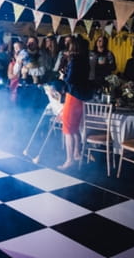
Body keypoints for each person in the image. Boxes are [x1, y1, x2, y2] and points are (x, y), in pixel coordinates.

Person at [58, 35, 92, 170]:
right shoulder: (85, 60)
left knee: (67, 129)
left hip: (72, 96)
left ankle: (69, 159)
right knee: (75, 128)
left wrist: (63, 76)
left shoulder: (75, 60)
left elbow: (70, 79)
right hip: (81, 97)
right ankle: (77, 154)